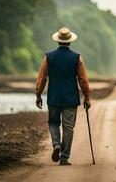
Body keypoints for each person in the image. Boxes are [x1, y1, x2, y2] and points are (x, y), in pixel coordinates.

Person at [35, 27, 91, 165]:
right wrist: (87, 97)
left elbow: (42, 78)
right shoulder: (77, 57)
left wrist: (38, 94)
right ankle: (64, 157)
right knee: (68, 127)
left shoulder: (48, 57)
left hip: (54, 97)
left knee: (53, 123)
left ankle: (56, 145)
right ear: (70, 41)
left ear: (58, 41)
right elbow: (83, 80)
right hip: (71, 98)